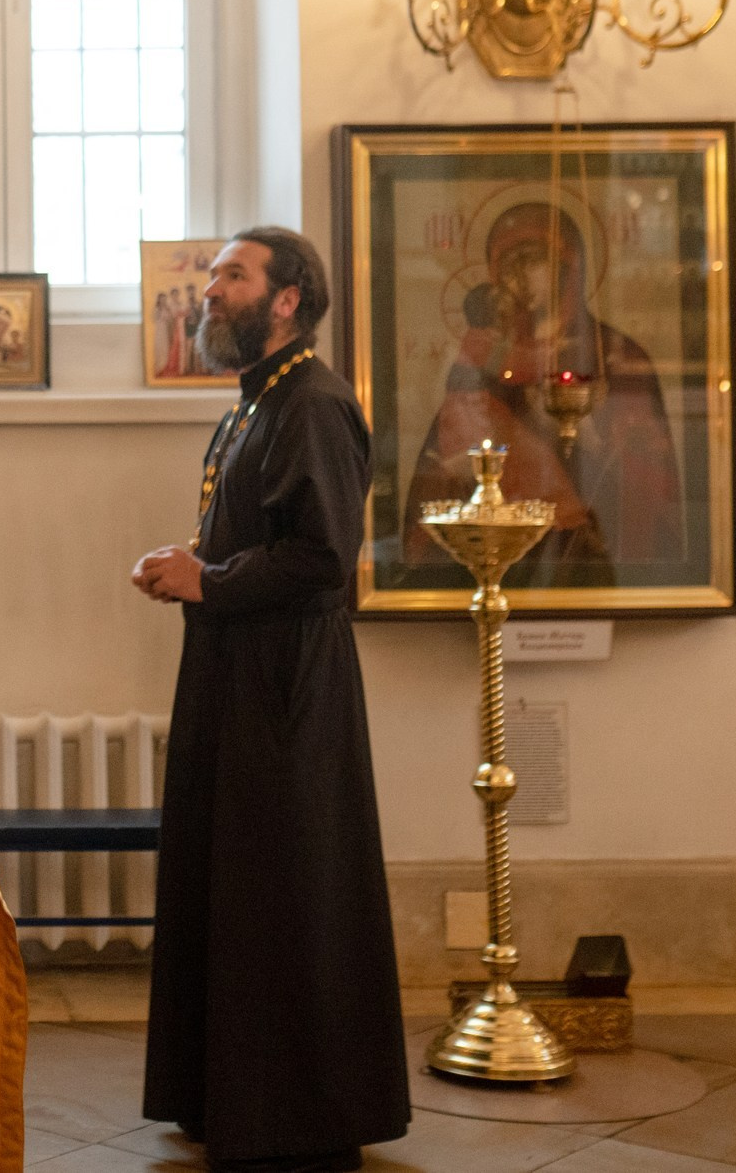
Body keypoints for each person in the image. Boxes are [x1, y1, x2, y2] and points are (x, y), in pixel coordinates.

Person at [128, 227, 407, 1173]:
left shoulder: (316, 404)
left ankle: (299, 1114)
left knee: (285, 891)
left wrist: (206, 578)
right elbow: (264, 537)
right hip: (236, 672)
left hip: (288, 684)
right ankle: (226, 1096)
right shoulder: (257, 403)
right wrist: (195, 568)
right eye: (211, 277)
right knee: (234, 887)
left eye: (231, 276)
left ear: (287, 299)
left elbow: (322, 557)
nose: (209, 291)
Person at [396, 202, 682, 585]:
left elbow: (645, 470)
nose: (520, 277)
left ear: (570, 270)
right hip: (500, 541)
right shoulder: (485, 350)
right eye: (510, 265)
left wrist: (594, 436)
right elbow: (455, 436)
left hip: (588, 536)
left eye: (535, 262)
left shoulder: (616, 353)